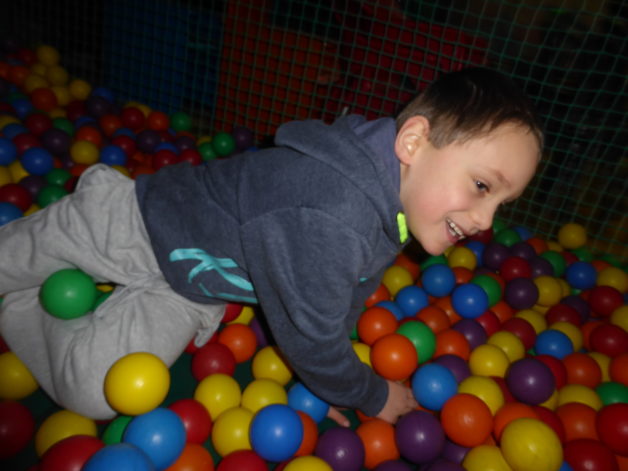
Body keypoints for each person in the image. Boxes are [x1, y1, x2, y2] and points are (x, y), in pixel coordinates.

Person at [0, 67, 543, 423]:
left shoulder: (393, 201)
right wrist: (366, 393)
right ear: (413, 141)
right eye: (482, 185)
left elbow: (348, 292)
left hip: (192, 285)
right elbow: (310, 338)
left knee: (98, 392)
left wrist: (329, 382)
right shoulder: (333, 210)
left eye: (502, 203)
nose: (486, 221)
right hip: (132, 223)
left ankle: (18, 306)